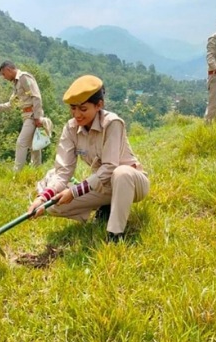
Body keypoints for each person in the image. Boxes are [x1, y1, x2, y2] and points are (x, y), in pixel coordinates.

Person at [27, 75, 150, 243]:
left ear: (99, 105)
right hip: (102, 187)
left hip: (132, 183)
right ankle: (105, 207)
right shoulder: (70, 129)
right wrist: (43, 198)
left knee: (121, 173)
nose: (77, 114)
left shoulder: (112, 123)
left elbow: (110, 167)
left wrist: (75, 191)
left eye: (83, 109)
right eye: (73, 108)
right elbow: (63, 171)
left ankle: (115, 235)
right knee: (54, 205)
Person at [0, 61, 44, 171]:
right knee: (34, 146)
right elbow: (11, 104)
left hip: (32, 115)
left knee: (21, 143)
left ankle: (17, 173)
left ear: (9, 70)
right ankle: (37, 171)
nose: (4, 77)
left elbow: (36, 96)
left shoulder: (24, 77)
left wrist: (37, 117)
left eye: (4, 74)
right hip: (27, 115)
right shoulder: (16, 83)